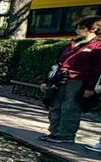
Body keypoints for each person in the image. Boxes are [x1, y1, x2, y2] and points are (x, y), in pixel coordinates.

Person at [39, 16, 101, 145]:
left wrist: (89, 88)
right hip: (61, 78)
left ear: (93, 29)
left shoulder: (96, 47)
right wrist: (47, 80)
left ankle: (66, 134)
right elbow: (57, 63)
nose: (77, 30)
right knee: (56, 105)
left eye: (81, 27)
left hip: (78, 80)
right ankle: (55, 132)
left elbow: (96, 69)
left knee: (70, 107)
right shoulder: (73, 44)